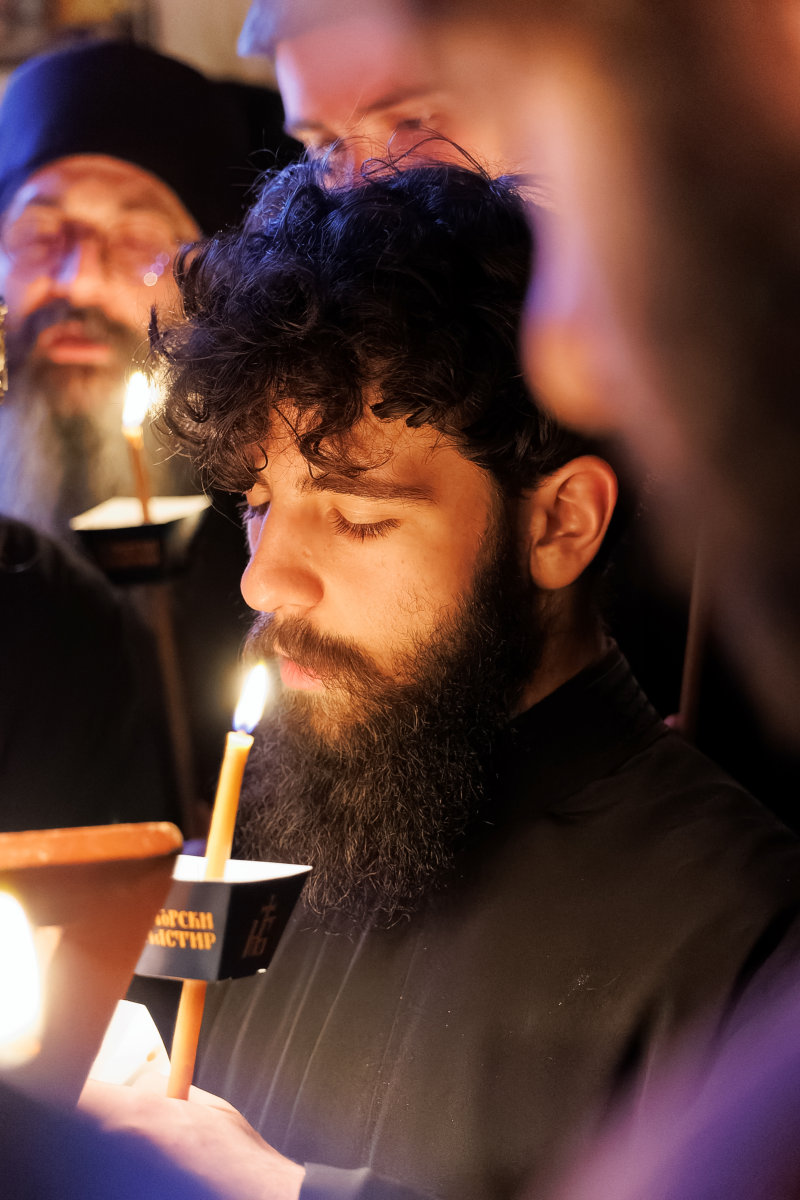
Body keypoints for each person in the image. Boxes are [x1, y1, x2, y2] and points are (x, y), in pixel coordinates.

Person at [80, 160, 800, 1200]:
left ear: (559, 525)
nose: (263, 579)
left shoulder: (746, 941)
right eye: (258, 504)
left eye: (357, 514)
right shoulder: (265, 833)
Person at [0, 39, 291, 801]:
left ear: (212, 274)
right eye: (39, 235)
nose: (77, 280)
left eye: (135, 243)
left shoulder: (279, 529)